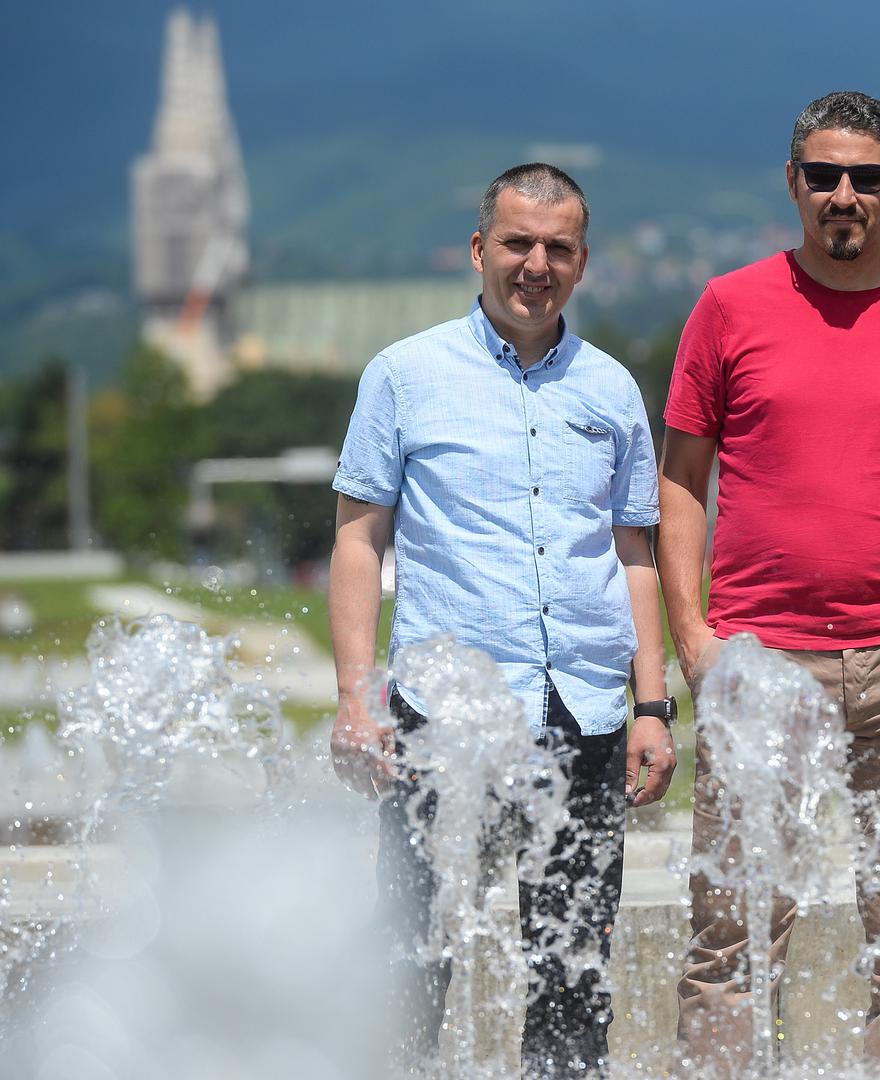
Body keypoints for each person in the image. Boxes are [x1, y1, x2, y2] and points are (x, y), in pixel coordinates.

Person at [658, 90, 880, 1076]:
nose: (842, 194)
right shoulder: (728, 307)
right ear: (794, 184)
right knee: (731, 938)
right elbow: (682, 484)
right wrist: (696, 643)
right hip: (762, 664)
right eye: (823, 176)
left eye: (864, 177)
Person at [327, 163, 676, 1079]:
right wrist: (356, 699)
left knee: (575, 962)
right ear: (480, 250)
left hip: (586, 712)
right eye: (518, 242)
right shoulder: (403, 375)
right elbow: (360, 544)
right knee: (415, 949)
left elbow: (633, 555)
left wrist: (652, 706)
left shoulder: (611, 391)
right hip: (448, 716)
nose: (536, 264)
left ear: (583, 261)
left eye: (557, 248)